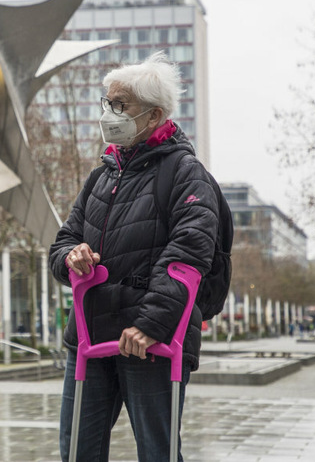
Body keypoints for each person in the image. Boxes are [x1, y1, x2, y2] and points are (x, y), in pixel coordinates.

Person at [49, 52, 218, 462]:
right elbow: (62, 241)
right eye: (107, 103)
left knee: (158, 453)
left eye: (120, 105)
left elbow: (189, 256)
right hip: (89, 337)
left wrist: (151, 325)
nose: (109, 114)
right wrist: (72, 255)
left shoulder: (185, 174)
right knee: (76, 451)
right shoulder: (101, 175)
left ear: (155, 115)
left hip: (150, 342)